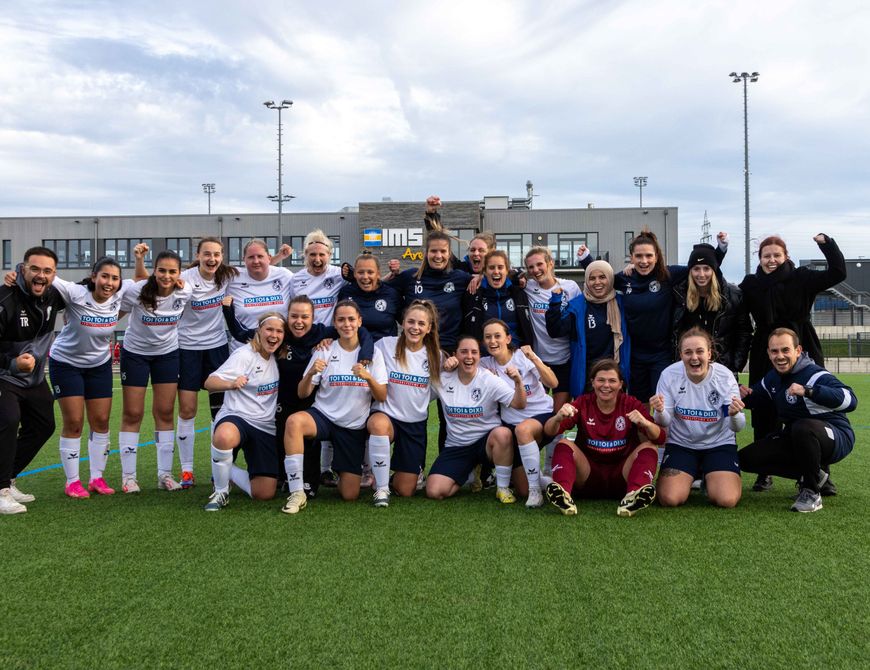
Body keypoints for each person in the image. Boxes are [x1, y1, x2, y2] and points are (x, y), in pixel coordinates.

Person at [223, 294, 374, 497]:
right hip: (281, 401)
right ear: (288, 317)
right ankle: (232, 470)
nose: (299, 322)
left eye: (305, 317)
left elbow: (362, 332)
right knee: (278, 443)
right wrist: (228, 309)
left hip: (311, 402)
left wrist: (365, 357)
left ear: (313, 318)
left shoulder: (322, 333)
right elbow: (241, 334)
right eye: (294, 316)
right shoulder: (279, 333)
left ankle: (309, 483)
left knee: (309, 445)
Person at [738, 233, 846, 493]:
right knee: (764, 408)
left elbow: (838, 272)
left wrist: (826, 244)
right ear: (759, 258)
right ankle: (765, 472)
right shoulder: (751, 284)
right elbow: (735, 312)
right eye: (767, 255)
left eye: (777, 255)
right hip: (766, 349)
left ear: (786, 256)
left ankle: (820, 473)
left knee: (810, 408)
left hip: (802, 345)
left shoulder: (802, 278)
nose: (772, 260)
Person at [579, 229, 726, 405]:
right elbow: (600, 277)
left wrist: (721, 248)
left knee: (663, 406)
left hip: (661, 356)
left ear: (656, 256)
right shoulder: (625, 279)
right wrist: (586, 259)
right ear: (631, 257)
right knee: (639, 407)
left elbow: (700, 266)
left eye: (649, 256)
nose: (644, 261)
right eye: (639, 256)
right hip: (633, 356)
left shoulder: (667, 275)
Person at [281, 300, 387, 514]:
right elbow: (303, 393)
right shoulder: (325, 349)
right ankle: (297, 491)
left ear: (359, 321)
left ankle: (340, 470)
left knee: (350, 495)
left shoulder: (373, 354)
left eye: (351, 319)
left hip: (352, 425)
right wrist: (311, 373)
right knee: (294, 422)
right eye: (341, 320)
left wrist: (368, 377)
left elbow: (381, 396)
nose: (346, 324)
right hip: (324, 416)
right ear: (334, 323)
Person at [738, 328, 857, 513]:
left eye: (786, 350)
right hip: (798, 438)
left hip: (836, 436)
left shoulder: (815, 374)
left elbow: (850, 399)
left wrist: (809, 391)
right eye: (775, 351)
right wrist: (742, 395)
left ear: (798, 351)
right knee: (746, 459)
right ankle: (816, 474)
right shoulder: (772, 378)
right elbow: (758, 399)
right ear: (768, 353)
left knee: (802, 427)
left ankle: (811, 492)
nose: (780, 356)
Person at [541, 359, 665, 517]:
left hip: (623, 476)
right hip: (587, 476)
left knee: (649, 447)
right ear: (593, 382)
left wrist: (645, 423)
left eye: (612, 381)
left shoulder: (630, 403)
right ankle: (563, 494)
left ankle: (633, 496)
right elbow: (549, 431)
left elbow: (660, 438)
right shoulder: (583, 402)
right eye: (601, 380)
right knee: (563, 443)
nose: (606, 385)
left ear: (620, 384)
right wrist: (558, 417)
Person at [44, 258, 124, 498]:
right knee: (75, 422)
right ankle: (72, 482)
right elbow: (45, 275)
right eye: (104, 276)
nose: (109, 282)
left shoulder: (121, 295)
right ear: (93, 277)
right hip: (66, 363)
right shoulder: (75, 292)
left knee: (100, 421)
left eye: (114, 278)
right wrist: (16, 275)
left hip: (99, 365)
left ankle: (96, 478)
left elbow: (146, 282)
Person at [386, 231, 473, 452]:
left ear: (449, 253)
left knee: (449, 412)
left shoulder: (461, 279)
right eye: (433, 250)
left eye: (442, 251)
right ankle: (414, 467)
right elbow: (382, 293)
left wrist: (480, 276)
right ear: (426, 253)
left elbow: (495, 274)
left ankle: (447, 464)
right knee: (415, 408)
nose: (438, 255)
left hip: (449, 354)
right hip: (417, 351)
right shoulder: (409, 277)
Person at [118, 248, 193, 493]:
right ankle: (129, 477)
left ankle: (165, 475)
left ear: (180, 274)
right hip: (135, 354)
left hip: (168, 354)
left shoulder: (185, 290)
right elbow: (114, 313)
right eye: (162, 270)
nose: (167, 276)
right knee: (133, 413)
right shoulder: (137, 291)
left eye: (173, 271)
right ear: (154, 270)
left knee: (164, 412)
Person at [0, 246, 65, 514]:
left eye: (47, 271)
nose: (41, 275)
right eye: (35, 269)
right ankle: (1, 490)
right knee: (8, 419)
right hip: (5, 375)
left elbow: (91, 287)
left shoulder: (53, 295)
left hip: (34, 379)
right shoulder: (5, 298)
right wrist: (12, 363)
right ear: (22, 269)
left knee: (43, 425)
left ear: (54, 274)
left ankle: (8, 478)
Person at [650, 328, 745, 509]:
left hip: (719, 444)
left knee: (727, 500)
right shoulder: (670, 375)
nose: (694, 357)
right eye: (688, 352)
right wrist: (660, 411)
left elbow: (737, 427)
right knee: (669, 499)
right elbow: (664, 421)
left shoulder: (724, 377)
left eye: (700, 351)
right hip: (682, 444)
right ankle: (694, 472)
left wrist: (734, 414)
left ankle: (708, 475)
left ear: (710, 353)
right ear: (681, 355)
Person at [425, 334, 527, 503]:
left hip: (486, 444)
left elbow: (519, 403)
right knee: (434, 491)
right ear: (455, 355)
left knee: (503, 434)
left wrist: (518, 382)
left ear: (480, 356)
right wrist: (442, 368)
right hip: (457, 445)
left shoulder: (489, 379)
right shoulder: (443, 379)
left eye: (474, 352)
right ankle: (470, 473)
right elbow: (419, 396)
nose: (469, 357)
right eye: (463, 352)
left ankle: (502, 488)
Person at [202, 313, 286, 511]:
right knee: (224, 436)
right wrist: (231, 384)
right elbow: (209, 382)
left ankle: (226, 468)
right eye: (269, 329)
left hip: (265, 425)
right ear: (259, 331)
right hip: (237, 416)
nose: (274, 335)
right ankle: (221, 492)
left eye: (279, 331)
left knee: (264, 493)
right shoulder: (244, 354)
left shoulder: (280, 356)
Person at [173, 237, 238, 489]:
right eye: (207, 254)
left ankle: (217, 468)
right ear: (198, 255)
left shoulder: (227, 276)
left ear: (222, 256)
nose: (212, 259)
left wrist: (277, 257)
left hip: (217, 349)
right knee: (187, 410)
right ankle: (187, 471)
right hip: (187, 349)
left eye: (217, 254)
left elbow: (258, 269)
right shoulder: (186, 278)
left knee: (219, 412)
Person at [367, 300, 442, 503]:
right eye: (410, 322)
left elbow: (436, 391)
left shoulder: (436, 356)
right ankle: (381, 489)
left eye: (420, 324)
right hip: (387, 416)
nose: (414, 328)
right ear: (403, 323)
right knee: (377, 424)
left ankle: (391, 476)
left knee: (406, 489)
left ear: (429, 328)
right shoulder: (384, 345)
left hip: (414, 423)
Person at [479, 319, 556, 508]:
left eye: (497, 336)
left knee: (523, 430)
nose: (492, 341)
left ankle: (536, 491)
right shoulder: (484, 364)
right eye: (488, 337)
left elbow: (553, 383)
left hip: (540, 417)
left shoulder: (522, 356)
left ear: (508, 338)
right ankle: (548, 482)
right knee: (521, 489)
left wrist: (534, 358)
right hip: (511, 425)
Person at [546, 259, 630, 398]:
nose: (597, 282)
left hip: (615, 373)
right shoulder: (577, 306)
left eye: (602, 277)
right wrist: (555, 302)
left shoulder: (622, 303)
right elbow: (555, 331)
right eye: (592, 278)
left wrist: (632, 268)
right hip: (587, 376)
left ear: (610, 278)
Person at [671, 243, 752, 376]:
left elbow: (744, 332)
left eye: (706, 268)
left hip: (722, 368)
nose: (701, 274)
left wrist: (735, 366)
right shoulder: (679, 294)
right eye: (696, 269)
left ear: (714, 270)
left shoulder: (733, 295)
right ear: (690, 271)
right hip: (688, 367)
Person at [226, 238, 294, 353]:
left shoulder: (284, 276)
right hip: (244, 349)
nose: (256, 261)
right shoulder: (232, 278)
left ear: (269, 257)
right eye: (251, 257)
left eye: (260, 256)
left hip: (278, 349)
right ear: (244, 260)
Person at [462, 250, 533, 347]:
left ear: (507, 270)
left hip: (514, 355)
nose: (496, 271)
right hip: (484, 358)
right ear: (485, 271)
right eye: (491, 268)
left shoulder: (519, 293)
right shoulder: (473, 294)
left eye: (500, 267)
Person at [337, 252, 401, 341]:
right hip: (354, 351)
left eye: (370, 272)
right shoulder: (346, 293)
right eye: (360, 272)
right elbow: (338, 322)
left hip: (385, 351)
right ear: (355, 273)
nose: (365, 277)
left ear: (378, 274)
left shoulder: (391, 294)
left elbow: (406, 321)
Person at [289, 230, 347, 325]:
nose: (317, 259)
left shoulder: (339, 274)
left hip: (330, 334)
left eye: (321, 254)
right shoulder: (296, 279)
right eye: (312, 254)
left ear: (329, 255)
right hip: (307, 334)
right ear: (306, 255)